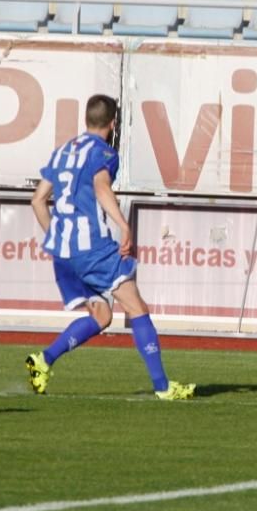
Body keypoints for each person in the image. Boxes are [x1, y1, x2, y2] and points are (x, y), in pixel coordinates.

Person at [26, 94, 195, 401]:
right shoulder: (104, 152)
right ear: (113, 124)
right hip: (92, 248)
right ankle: (162, 387)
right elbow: (102, 187)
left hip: (63, 254)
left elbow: (37, 200)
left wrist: (59, 237)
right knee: (137, 308)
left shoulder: (62, 151)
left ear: (87, 120)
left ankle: (44, 360)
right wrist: (125, 225)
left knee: (102, 316)